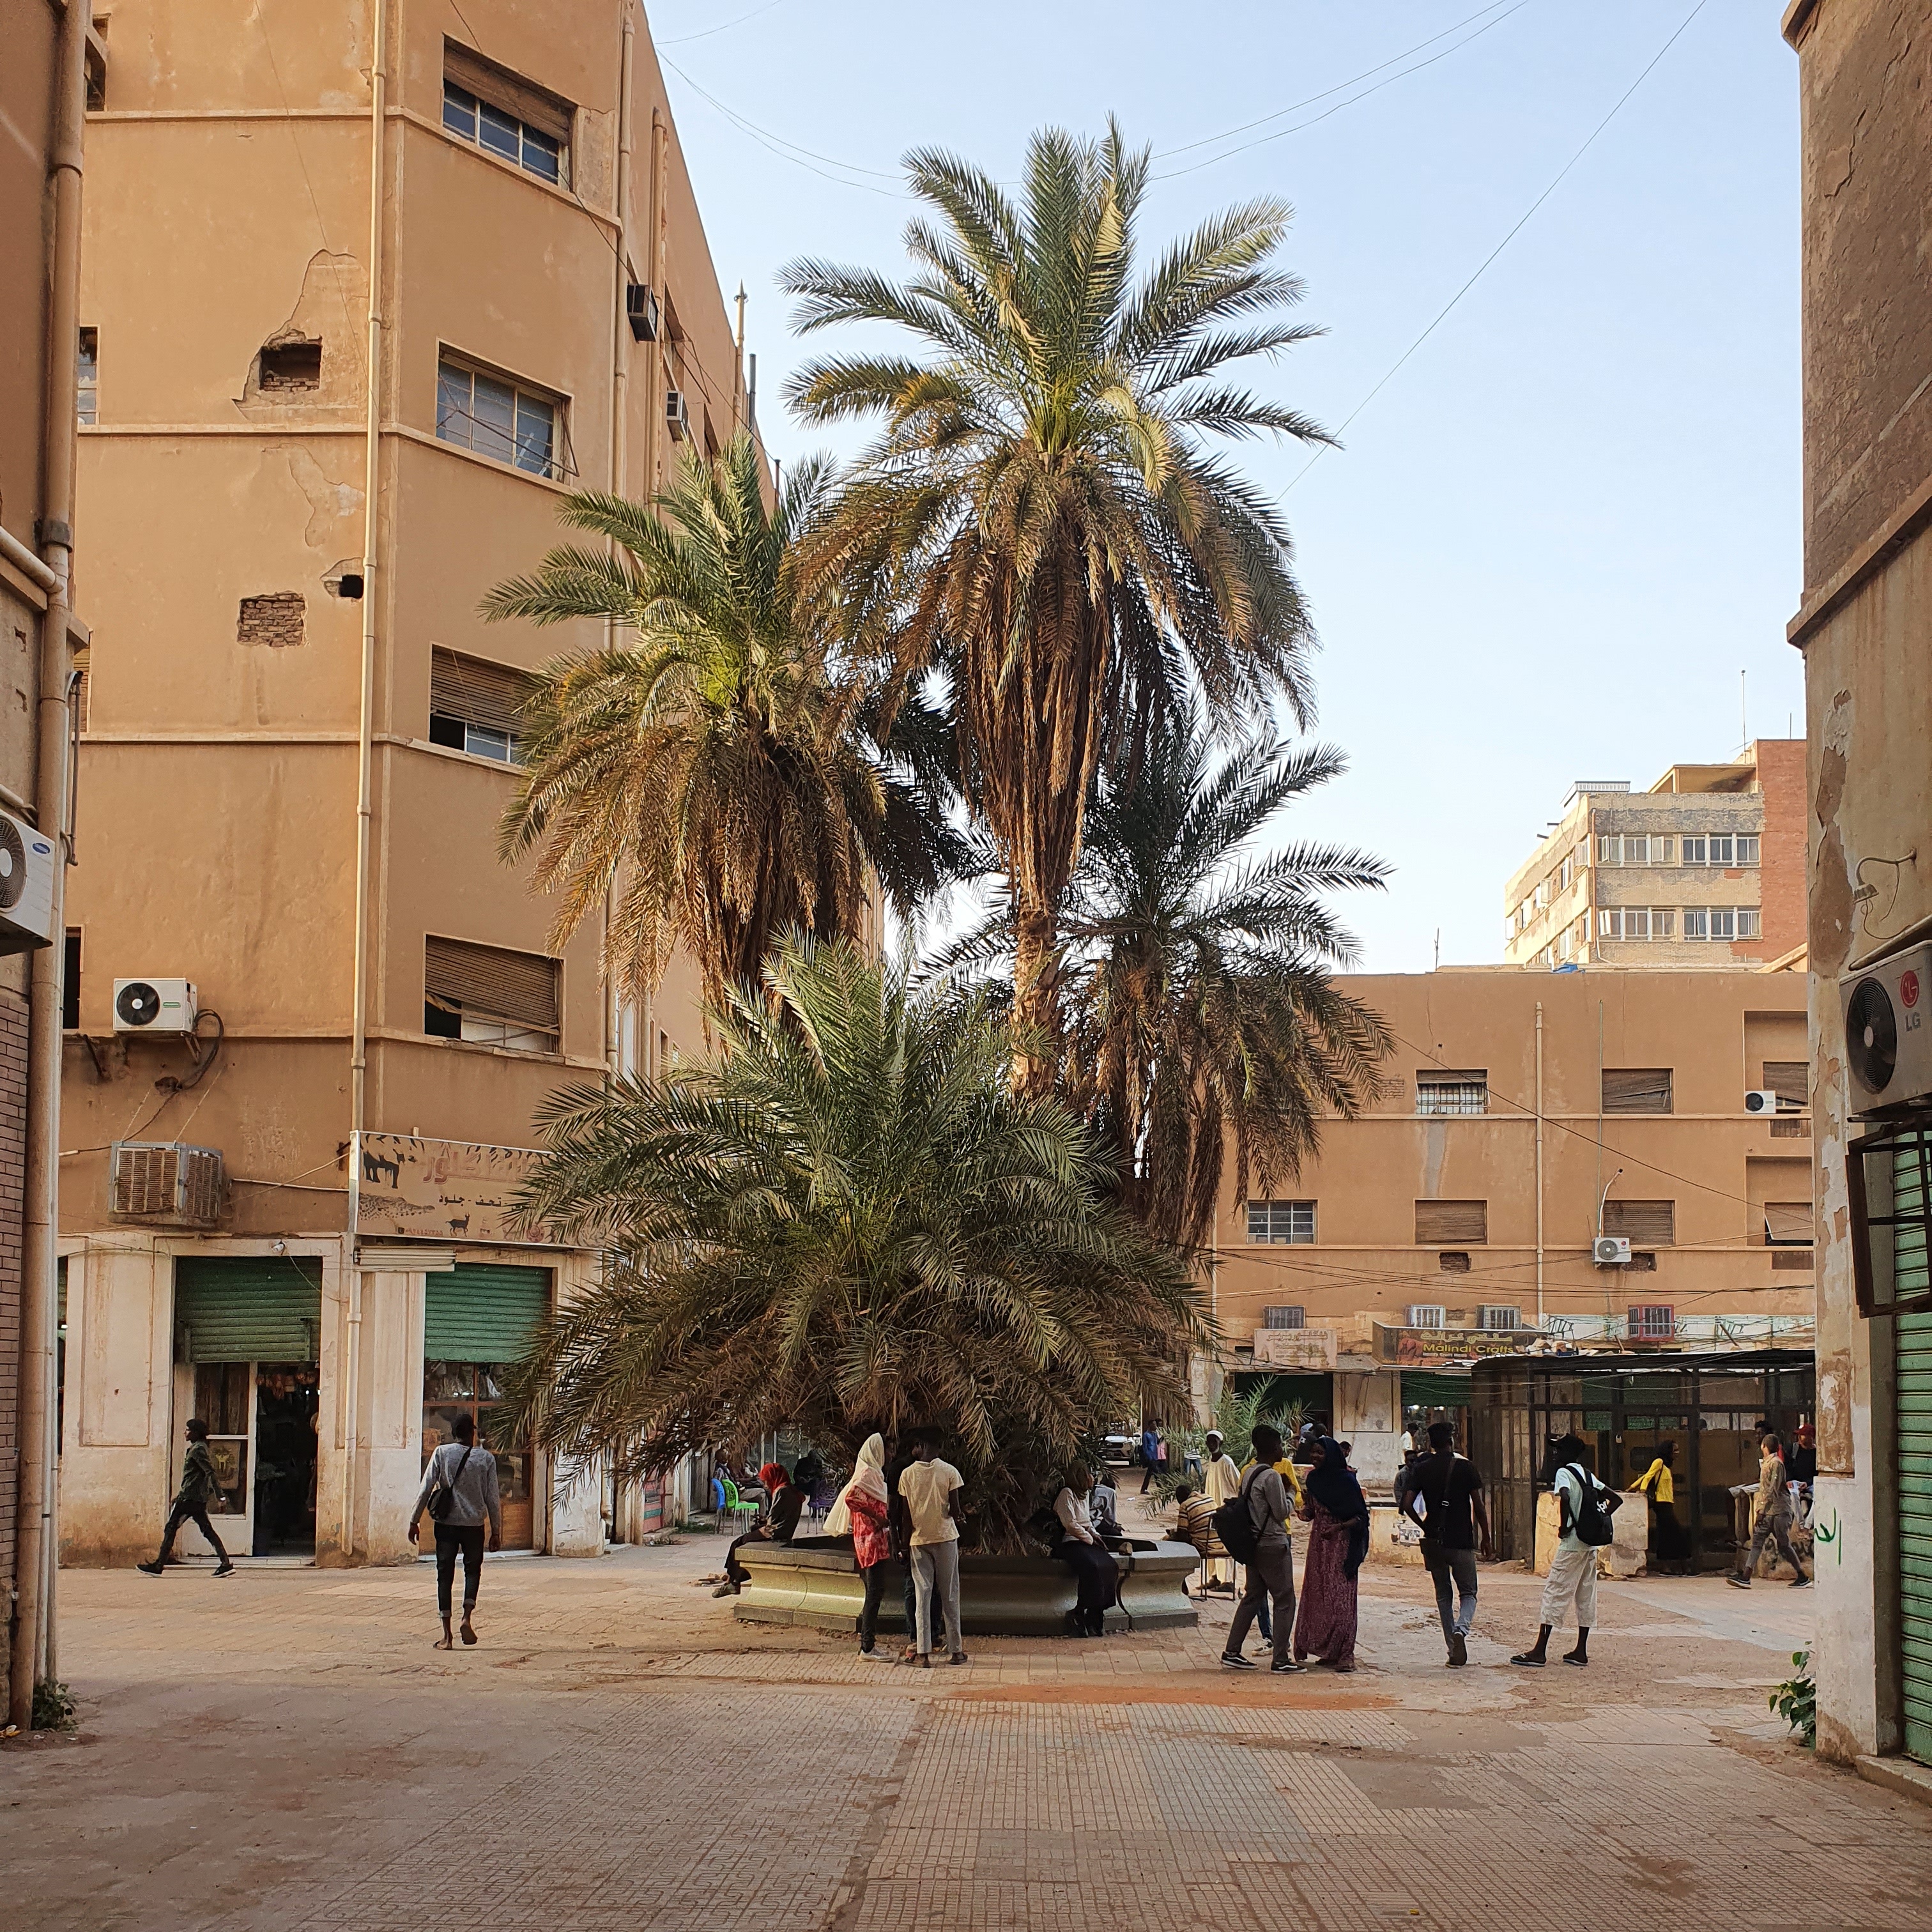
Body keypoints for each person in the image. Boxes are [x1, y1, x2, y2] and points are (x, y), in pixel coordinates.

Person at [1512, 1434, 1613, 1667]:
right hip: (1590, 1545)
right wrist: (1600, 1519)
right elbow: (1614, 1499)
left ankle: (1539, 1651)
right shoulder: (1589, 1475)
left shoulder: (1564, 1473)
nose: (1555, 1454)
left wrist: (1564, 1526)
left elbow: (1565, 1496)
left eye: (1558, 1450)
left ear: (1568, 1453)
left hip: (1572, 1545)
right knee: (1586, 1595)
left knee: (1555, 1592)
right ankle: (1581, 1651)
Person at [405, 1413, 502, 1650]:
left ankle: (447, 1636)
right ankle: (467, 1617)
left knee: (444, 1576)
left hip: (446, 1524)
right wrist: (496, 1531)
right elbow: (493, 1498)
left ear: (453, 1433)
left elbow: (426, 1488)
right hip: (474, 1526)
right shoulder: (486, 1459)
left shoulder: (442, 1453)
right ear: (472, 1433)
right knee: (472, 1571)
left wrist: (414, 1520)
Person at [1405, 1420, 1493, 1666]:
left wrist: (1425, 1526)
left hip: (1434, 1540)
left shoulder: (1421, 1469)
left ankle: (1453, 1649)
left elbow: (1407, 1504)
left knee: (1443, 1595)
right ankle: (1461, 1630)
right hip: (1462, 1540)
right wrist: (1486, 1537)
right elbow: (1480, 1506)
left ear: (1431, 1444)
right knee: (1469, 1592)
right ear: (1452, 1441)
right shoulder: (1466, 1468)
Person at [1219, 1423, 1300, 1674]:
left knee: (1253, 1596)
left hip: (1253, 1543)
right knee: (1284, 1599)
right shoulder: (1272, 1477)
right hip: (1273, 1543)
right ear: (1274, 1447)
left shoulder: (1250, 1473)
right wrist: (1289, 1492)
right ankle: (1280, 1659)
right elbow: (1281, 1512)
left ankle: (1232, 1651)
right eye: (1280, 1445)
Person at [1295, 1437, 1369, 1669]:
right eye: (1313, 1452)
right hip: (1319, 1546)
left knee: (1341, 1600)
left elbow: (1360, 1517)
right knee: (1320, 1599)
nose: (1315, 1457)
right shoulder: (1313, 1479)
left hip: (1342, 1546)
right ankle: (1329, 1651)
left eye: (1320, 1452)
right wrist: (1294, 1506)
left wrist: (1337, 1527)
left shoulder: (1347, 1481)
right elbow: (1310, 1513)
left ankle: (1346, 1654)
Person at [898, 1427, 967, 1666]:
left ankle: (923, 1653)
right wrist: (960, 1516)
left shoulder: (907, 1475)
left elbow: (906, 1516)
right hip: (946, 1537)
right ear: (941, 1446)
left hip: (919, 1540)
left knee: (922, 1595)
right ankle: (956, 1651)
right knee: (949, 1593)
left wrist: (904, 1545)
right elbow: (956, 1510)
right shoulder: (950, 1472)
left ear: (921, 1444)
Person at [137, 1418, 236, 1579]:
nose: (186, 1432)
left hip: (190, 1499)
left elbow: (209, 1472)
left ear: (196, 1433)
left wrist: (221, 1497)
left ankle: (158, 1565)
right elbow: (194, 1477)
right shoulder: (198, 1448)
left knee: (171, 1528)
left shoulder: (198, 1449)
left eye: (188, 1430)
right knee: (207, 1530)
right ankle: (225, 1563)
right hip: (193, 1497)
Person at [826, 1432, 894, 1660]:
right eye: (888, 1450)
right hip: (870, 1540)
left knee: (877, 1591)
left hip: (877, 1539)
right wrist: (876, 1517)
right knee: (874, 1592)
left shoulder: (876, 1475)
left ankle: (869, 1644)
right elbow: (851, 1499)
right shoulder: (868, 1474)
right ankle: (867, 1646)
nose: (891, 1455)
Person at [1730, 1431, 1811, 1590]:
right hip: (1770, 1511)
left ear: (1764, 1446)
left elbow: (1772, 1490)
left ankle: (1802, 1576)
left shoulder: (1776, 1464)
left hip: (1779, 1511)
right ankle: (1746, 1575)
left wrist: (1761, 1511)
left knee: (1784, 1545)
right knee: (1758, 1542)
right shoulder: (1768, 1463)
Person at [717, 1462, 807, 1595]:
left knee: (739, 1543)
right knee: (747, 1538)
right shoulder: (791, 1490)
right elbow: (781, 1516)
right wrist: (765, 1519)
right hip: (782, 1530)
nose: (765, 1485)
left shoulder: (782, 1491)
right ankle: (732, 1579)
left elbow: (773, 1521)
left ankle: (734, 1582)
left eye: (766, 1481)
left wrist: (765, 1521)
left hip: (774, 1533)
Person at [1052, 1466, 1118, 1637]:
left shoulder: (1085, 1494)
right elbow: (1070, 1524)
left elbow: (1087, 1521)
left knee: (1110, 1565)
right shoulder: (1067, 1494)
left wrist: (1096, 1536)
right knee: (1092, 1567)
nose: (1092, 1478)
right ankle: (1080, 1611)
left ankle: (1097, 1611)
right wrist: (1088, 1539)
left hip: (1086, 1540)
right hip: (1071, 1542)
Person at [1630, 1441, 1688, 1572]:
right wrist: (1642, 1490)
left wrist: (1632, 1486)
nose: (1677, 1453)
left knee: (1666, 1533)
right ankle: (1674, 1564)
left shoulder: (1666, 1466)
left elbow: (1646, 1475)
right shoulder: (1659, 1462)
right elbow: (1648, 1476)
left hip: (1667, 1502)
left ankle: (1670, 1564)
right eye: (1675, 1450)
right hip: (1661, 1503)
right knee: (1676, 1533)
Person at [1200, 1430, 1243, 1593]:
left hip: (1226, 1512)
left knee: (1226, 1544)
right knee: (1213, 1544)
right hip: (1212, 1510)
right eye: (1209, 1441)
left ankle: (1228, 1580)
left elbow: (1238, 1485)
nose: (1211, 1444)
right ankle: (1215, 1577)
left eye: (1214, 1441)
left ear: (1221, 1443)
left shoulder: (1227, 1462)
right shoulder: (1211, 1462)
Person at [1173, 1480, 1215, 1593]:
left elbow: (1182, 1535)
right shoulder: (1208, 1498)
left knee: (1170, 1548)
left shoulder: (1185, 1505)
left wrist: (1173, 1535)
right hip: (1219, 1542)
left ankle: (1180, 1584)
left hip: (1203, 1544)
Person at [1089, 1465, 1121, 1538]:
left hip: (1088, 1521)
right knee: (1117, 1535)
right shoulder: (1110, 1493)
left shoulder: (1096, 1489)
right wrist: (1115, 1525)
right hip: (1090, 1523)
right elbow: (1109, 1517)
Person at [1140, 1422, 1161, 1494]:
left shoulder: (1154, 1434)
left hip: (1155, 1455)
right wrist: (1147, 1456)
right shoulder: (1146, 1435)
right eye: (1154, 1425)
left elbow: (1157, 1442)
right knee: (1156, 1472)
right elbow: (1145, 1447)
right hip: (1150, 1456)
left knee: (1150, 1473)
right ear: (1150, 1425)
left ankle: (1144, 1489)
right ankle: (1161, 1488)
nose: (1155, 1426)